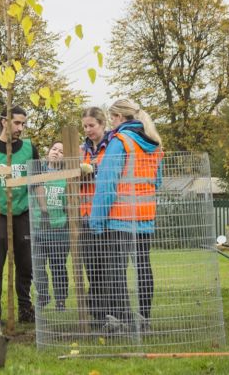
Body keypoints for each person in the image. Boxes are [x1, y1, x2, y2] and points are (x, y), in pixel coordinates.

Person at [89, 99, 163, 334]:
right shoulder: (153, 144)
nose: (110, 123)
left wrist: (97, 220)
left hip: (120, 218)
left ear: (120, 118)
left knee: (116, 270)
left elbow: (106, 185)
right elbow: (156, 181)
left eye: (112, 118)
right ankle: (144, 319)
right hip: (144, 217)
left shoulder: (120, 142)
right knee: (143, 268)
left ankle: (122, 320)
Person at [0, 107, 40, 323]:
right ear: (4, 121)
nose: (21, 128)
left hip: (23, 212)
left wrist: (44, 211)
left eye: (23, 124)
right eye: (17, 123)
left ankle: (25, 309)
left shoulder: (30, 148)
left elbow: (38, 182)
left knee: (25, 264)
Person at [79, 106, 111, 321]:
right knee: (91, 265)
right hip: (85, 215)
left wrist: (95, 170)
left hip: (108, 215)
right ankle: (97, 312)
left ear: (102, 124)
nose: (88, 130)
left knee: (107, 266)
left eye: (92, 125)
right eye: (85, 126)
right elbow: (74, 183)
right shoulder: (81, 150)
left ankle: (104, 310)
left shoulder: (112, 147)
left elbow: (113, 174)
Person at [31, 142, 69, 312]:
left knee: (58, 267)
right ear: (48, 151)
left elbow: (69, 203)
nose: (56, 153)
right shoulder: (38, 172)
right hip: (39, 228)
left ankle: (60, 301)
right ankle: (43, 296)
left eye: (61, 151)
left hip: (59, 229)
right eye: (54, 149)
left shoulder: (68, 176)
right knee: (38, 266)